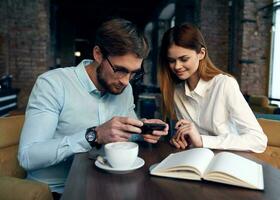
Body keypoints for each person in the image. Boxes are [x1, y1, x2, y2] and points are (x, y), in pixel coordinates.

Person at [18, 18, 168, 198]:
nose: (126, 81)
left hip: (109, 186)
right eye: (120, 70)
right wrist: (94, 135)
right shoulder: (53, 84)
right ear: (98, 54)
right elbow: (28, 156)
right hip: (56, 191)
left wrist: (142, 128)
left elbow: (123, 133)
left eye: (133, 73)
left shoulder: (124, 89)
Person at [158, 23, 267, 153]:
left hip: (228, 160)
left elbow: (258, 140)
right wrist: (182, 139)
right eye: (171, 60)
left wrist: (202, 140)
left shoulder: (224, 84)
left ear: (201, 54)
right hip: (196, 160)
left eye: (184, 59)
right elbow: (193, 139)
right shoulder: (177, 93)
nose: (177, 66)